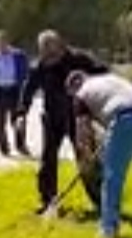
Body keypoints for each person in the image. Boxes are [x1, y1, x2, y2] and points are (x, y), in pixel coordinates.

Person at [67, 69, 132, 238]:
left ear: (74, 87)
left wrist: (86, 157)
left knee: (113, 176)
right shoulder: (111, 79)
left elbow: (83, 131)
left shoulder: (81, 95)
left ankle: (109, 228)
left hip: (124, 119)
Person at [17, 31, 108, 214]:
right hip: (52, 118)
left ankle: (102, 200)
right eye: (44, 53)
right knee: (47, 159)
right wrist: (21, 113)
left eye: (51, 53)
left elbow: (104, 73)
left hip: (78, 117)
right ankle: (48, 200)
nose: (48, 58)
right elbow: (28, 90)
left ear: (60, 46)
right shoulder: (40, 66)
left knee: (86, 158)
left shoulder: (79, 59)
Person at [0, 31, 30, 157]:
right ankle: (4, 147)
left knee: (19, 121)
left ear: (8, 43)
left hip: (15, 91)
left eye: (4, 42)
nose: (1, 45)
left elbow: (27, 74)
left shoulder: (19, 56)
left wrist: (27, 93)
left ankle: (21, 145)